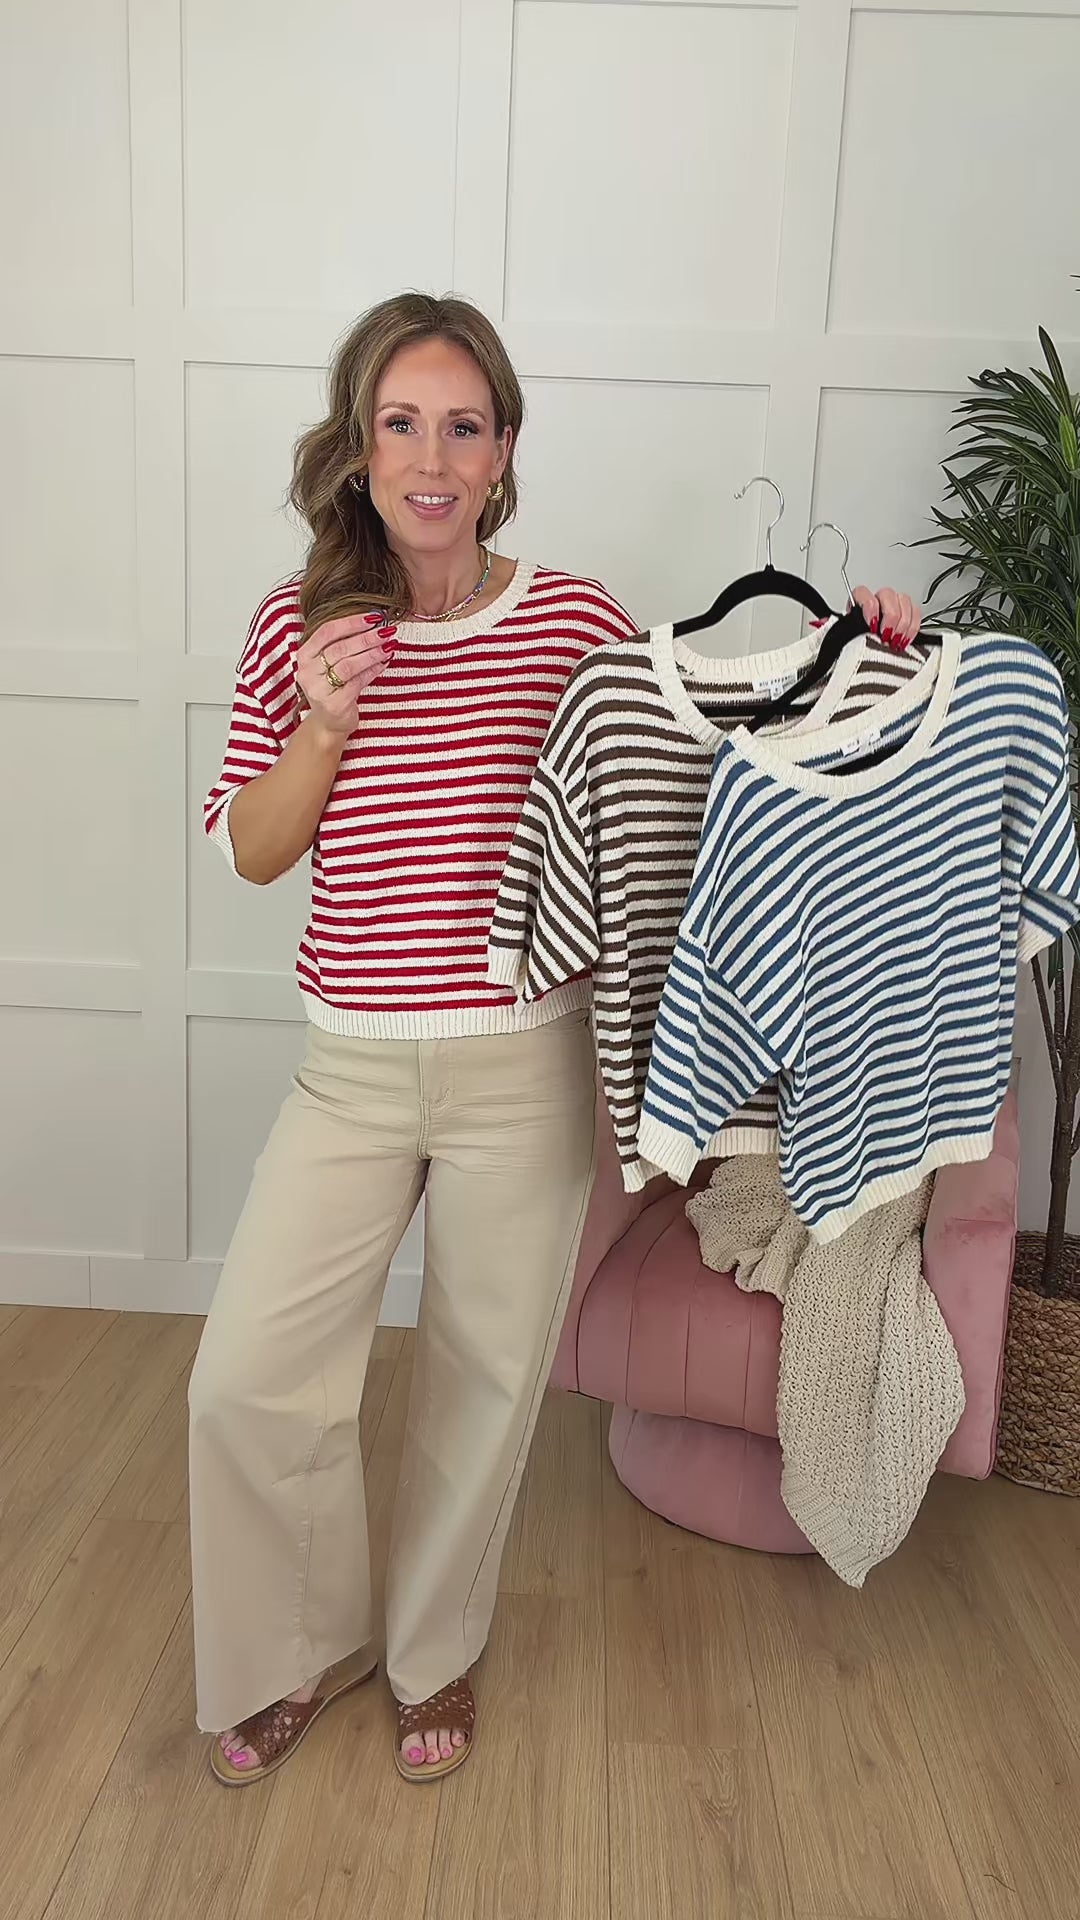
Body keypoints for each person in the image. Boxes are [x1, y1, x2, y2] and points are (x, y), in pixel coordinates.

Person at [188, 291, 923, 1786]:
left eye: (463, 426)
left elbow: (715, 753)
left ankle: (433, 1655)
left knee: (479, 1381)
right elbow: (254, 852)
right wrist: (323, 722)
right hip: (348, 1067)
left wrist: (863, 659)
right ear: (359, 447)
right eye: (402, 425)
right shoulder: (296, 625)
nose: (432, 458)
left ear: (505, 448)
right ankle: (289, 1652)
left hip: (521, 1069)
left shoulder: (576, 621)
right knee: (247, 1381)